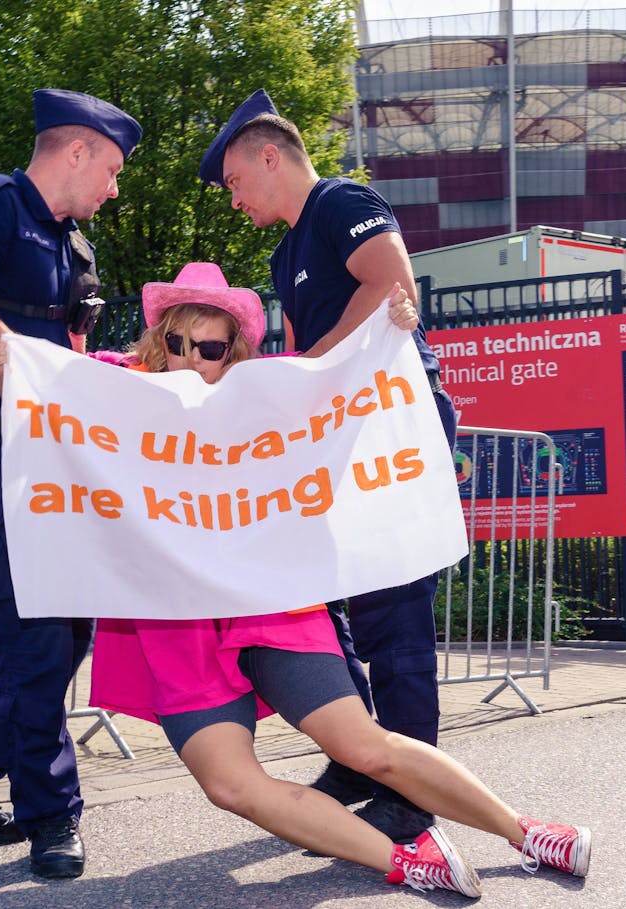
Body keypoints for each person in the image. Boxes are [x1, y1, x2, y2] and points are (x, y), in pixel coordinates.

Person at [0, 263, 592, 900]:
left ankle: (529, 833)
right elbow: (46, 402)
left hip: (268, 607)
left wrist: (395, 329)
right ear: (157, 338)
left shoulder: (267, 395)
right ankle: (404, 860)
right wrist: (3, 364)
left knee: (364, 747)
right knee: (229, 785)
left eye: (211, 347)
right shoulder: (116, 388)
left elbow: (346, 386)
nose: (192, 359)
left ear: (235, 349)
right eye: (178, 342)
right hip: (171, 625)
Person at [199, 89, 458, 841]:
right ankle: (359, 754)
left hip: (386, 433)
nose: (236, 199)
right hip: (339, 438)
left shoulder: (342, 202)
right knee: (327, 600)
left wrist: (306, 368)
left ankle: (412, 791)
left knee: (392, 608)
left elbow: (393, 285)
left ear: (268, 156)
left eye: (236, 183)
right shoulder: (287, 250)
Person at [0, 88, 141, 880]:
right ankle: (51, 816)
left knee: (60, 630)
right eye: (109, 169)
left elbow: (70, 357)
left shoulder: (76, 249)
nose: (114, 188)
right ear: (74, 151)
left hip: (46, 463)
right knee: (36, 633)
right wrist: (11, 354)